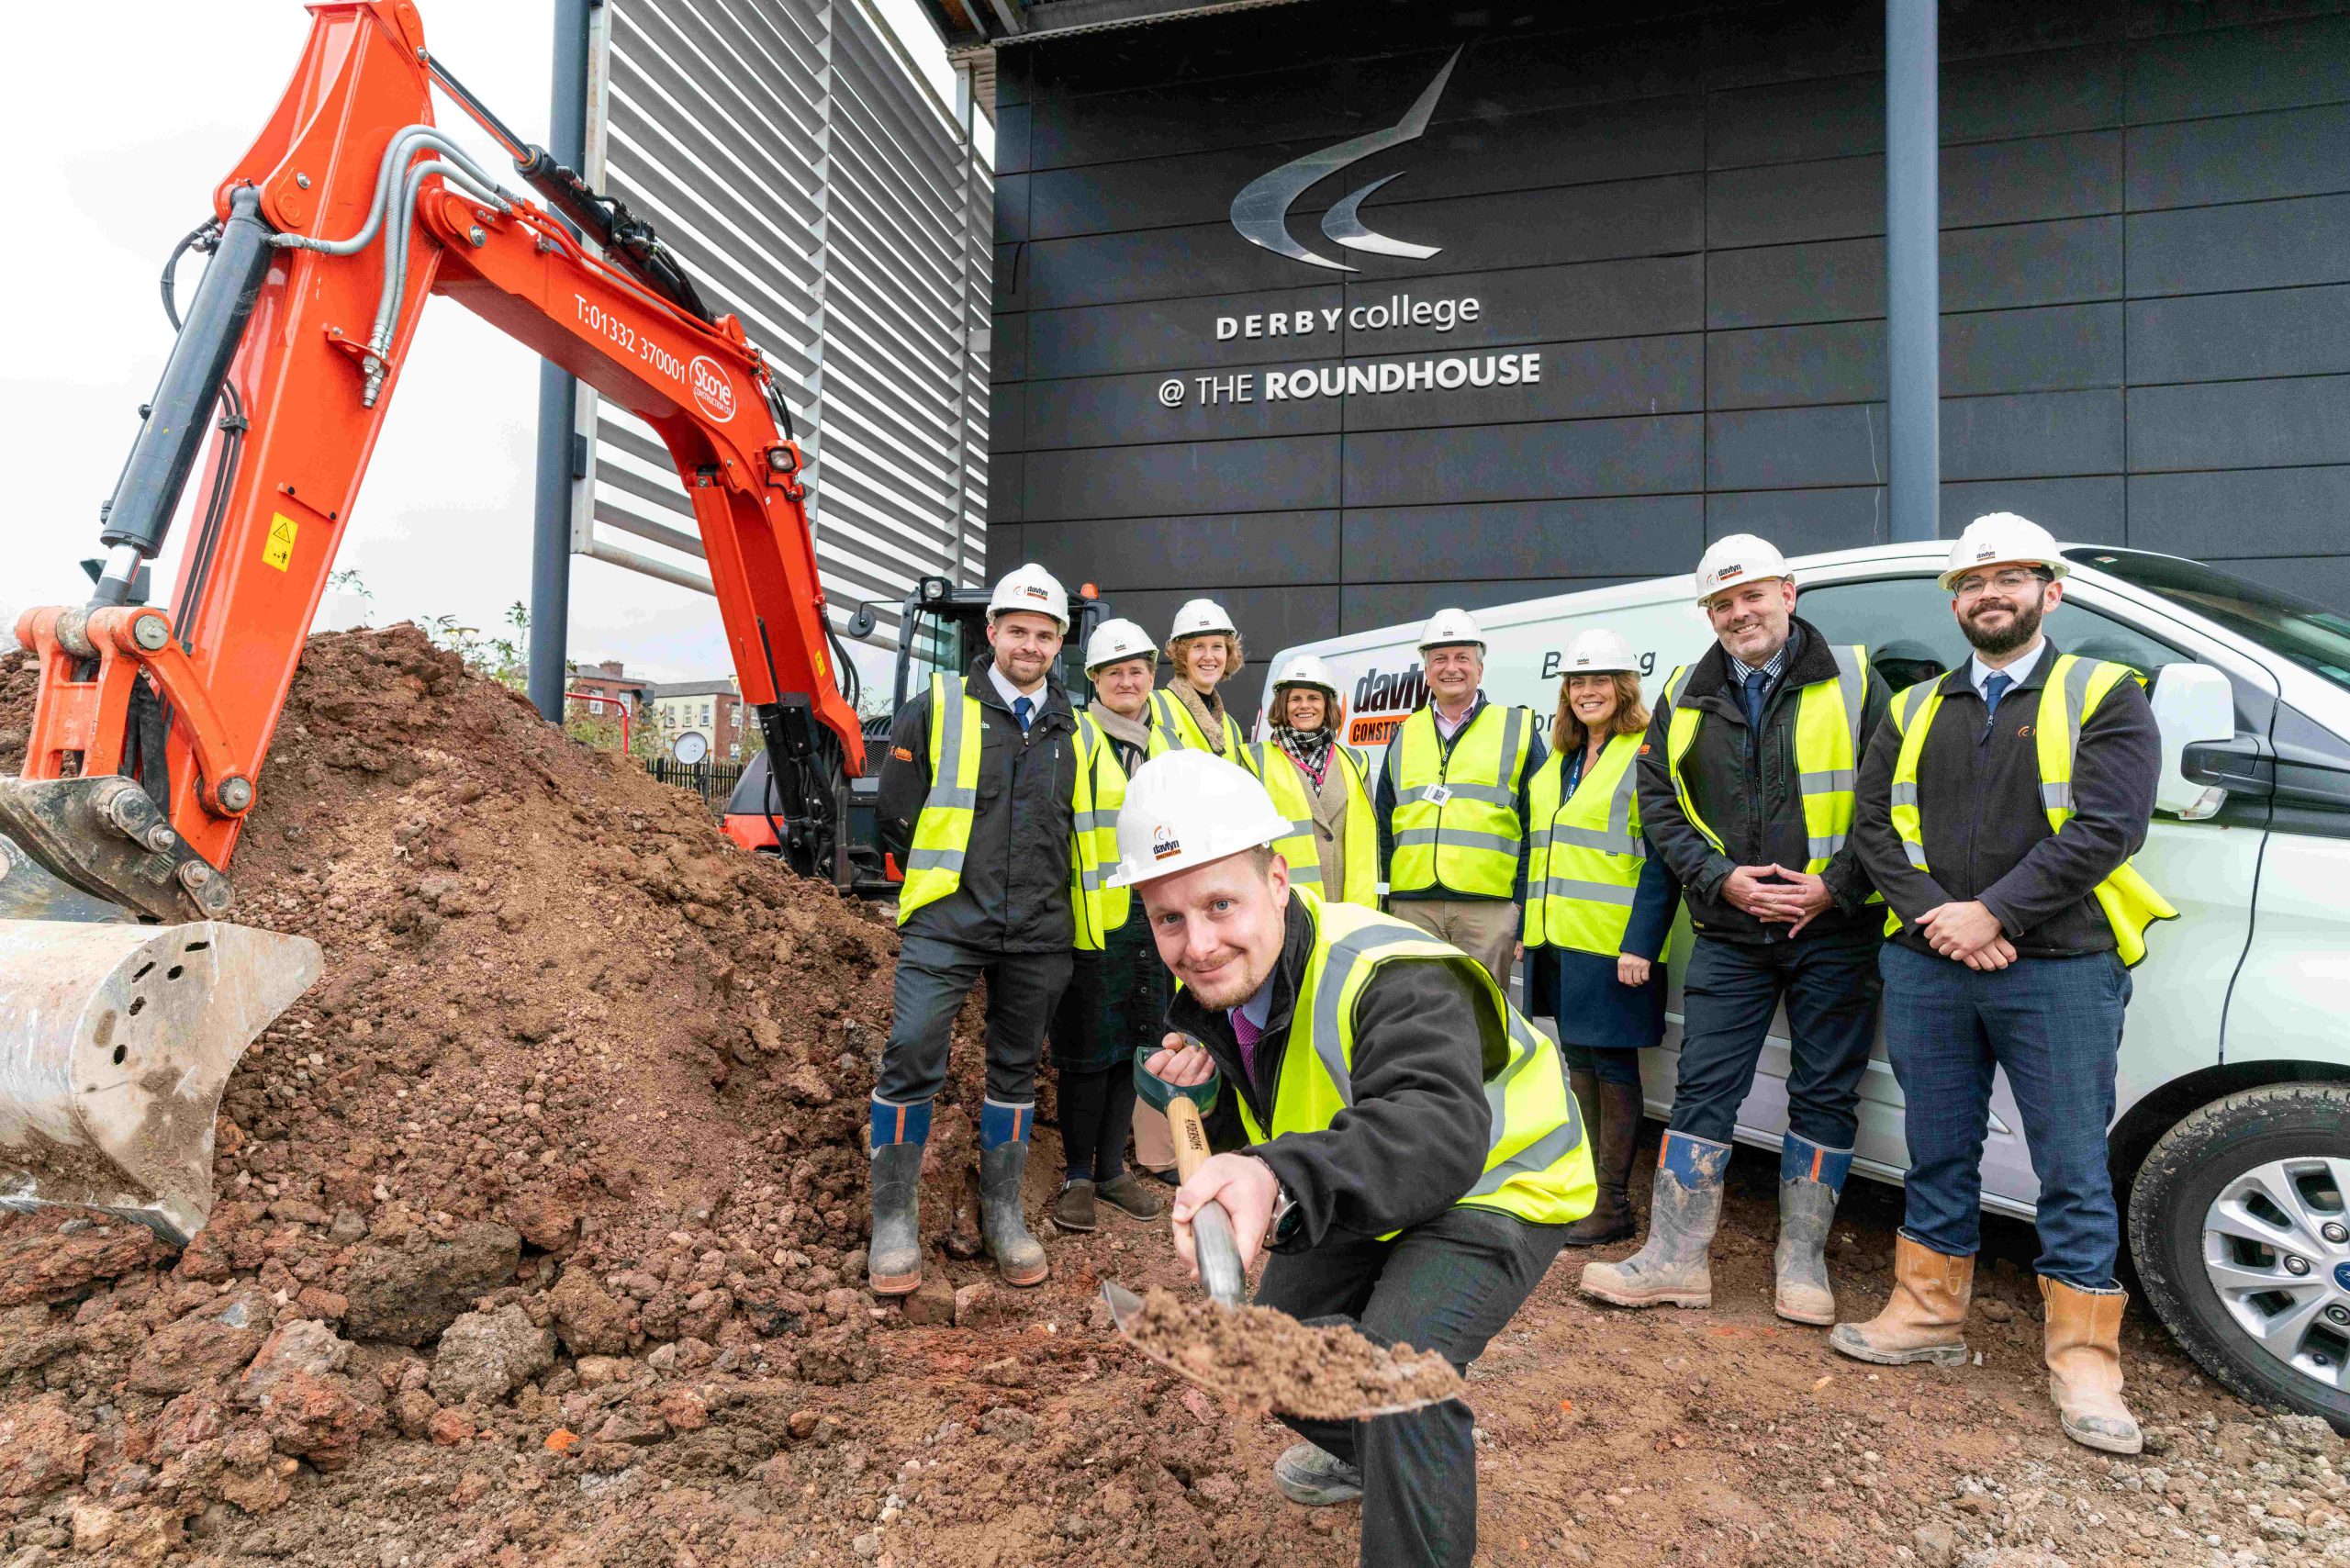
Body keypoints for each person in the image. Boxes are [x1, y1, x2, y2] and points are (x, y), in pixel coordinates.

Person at [1115, 751, 1592, 1568]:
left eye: (1220, 903)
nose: (1197, 944)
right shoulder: (1229, 990)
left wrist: (1274, 1175)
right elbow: (1295, 1106)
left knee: (1395, 1378)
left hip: (1495, 1179)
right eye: (1169, 919)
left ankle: (1407, 1453)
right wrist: (1218, 1096)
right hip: (1371, 1176)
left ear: (1277, 878)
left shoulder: (1388, 972)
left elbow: (1435, 1125)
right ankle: (1394, 1460)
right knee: (1271, 1343)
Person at [1833, 512, 2173, 1456]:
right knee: (1936, 1147)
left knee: (2069, 1162)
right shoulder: (1911, 708)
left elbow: (2106, 827)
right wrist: (1941, 915)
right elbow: (1874, 832)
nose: (1990, 594)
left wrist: (1994, 914)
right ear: (1953, 601)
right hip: (1929, 961)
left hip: (2058, 966)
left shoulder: (2102, 692)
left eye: (2011, 579)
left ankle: (2083, 1358)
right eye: (1972, 583)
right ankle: (1926, 1312)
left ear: (2048, 591)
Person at [1581, 533, 1889, 1325]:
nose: (1737, 613)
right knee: (1703, 1088)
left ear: (1788, 593)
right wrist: (1721, 881)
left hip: (1835, 929)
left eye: (1751, 595)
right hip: (1728, 930)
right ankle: (1677, 1258)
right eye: (1721, 603)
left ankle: (1802, 1265)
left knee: (1824, 1092)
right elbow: (1660, 806)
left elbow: (1893, 803)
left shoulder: (1856, 679)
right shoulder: (1685, 690)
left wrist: (1833, 888)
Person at [869, 564, 1127, 1293]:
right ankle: (894, 1222)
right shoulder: (940, 707)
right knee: (913, 1050)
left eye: (1045, 635)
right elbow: (897, 810)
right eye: (1018, 630)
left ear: (1060, 646)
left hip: (1041, 930)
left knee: (1016, 1070)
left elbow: (1100, 832)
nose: (1030, 645)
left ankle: (1003, 1213)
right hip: (949, 923)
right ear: (992, 634)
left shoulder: (1076, 729)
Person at [1523, 630, 1681, 1248]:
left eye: (1599, 681)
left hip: (1616, 947)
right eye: (1577, 683)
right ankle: (1589, 1191)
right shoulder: (1560, 760)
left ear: (1624, 687)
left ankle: (1613, 1205)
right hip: (1560, 941)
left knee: (1612, 1067)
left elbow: (1660, 859)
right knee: (1580, 1062)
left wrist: (1641, 942)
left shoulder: (1642, 751)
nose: (1587, 692)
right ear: (1566, 693)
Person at [1044, 619, 1169, 1233]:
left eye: (1137, 669)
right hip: (1093, 921)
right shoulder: (1075, 736)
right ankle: (1078, 1176)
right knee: (1087, 1055)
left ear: (1151, 676)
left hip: (1154, 920)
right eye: (1115, 671)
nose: (1128, 679)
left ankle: (1114, 1169)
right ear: (1093, 679)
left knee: (1131, 1051)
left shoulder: (1164, 745)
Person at [1374, 608, 1546, 991]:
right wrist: (1388, 898)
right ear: (1426, 670)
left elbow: (1538, 827)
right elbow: (1384, 825)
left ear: (1480, 669)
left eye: (1462, 658)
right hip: (1413, 905)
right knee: (1416, 1011)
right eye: (1440, 658)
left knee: (1482, 1015)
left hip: (1489, 909)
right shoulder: (1404, 734)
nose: (1451, 668)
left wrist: (1520, 902)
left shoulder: (1515, 728)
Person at [1247, 652, 1379, 906]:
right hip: (1284, 905)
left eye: (1313, 698)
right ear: (1283, 706)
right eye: (1295, 698)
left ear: (1327, 705)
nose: (1304, 706)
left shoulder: (1355, 761)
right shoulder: (1254, 760)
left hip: (1346, 907)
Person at [1149, 598, 1259, 775]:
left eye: (1217, 646)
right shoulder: (1152, 705)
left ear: (1228, 653)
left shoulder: (1231, 726)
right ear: (1181, 654)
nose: (1209, 656)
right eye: (1198, 646)